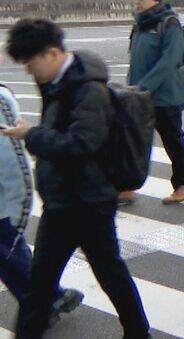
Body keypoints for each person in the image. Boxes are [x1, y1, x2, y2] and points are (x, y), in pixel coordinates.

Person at [4, 19, 149, 337]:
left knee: (108, 274)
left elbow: (82, 143)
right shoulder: (62, 83)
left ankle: (139, 332)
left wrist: (33, 135)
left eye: (31, 64)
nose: (29, 72)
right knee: (40, 286)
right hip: (64, 200)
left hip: (88, 201)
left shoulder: (87, 90)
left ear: (53, 53)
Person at [0, 71, 85, 328]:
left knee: (8, 248)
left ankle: (46, 300)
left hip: (5, 199)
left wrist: (16, 207)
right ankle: (48, 298)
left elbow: (14, 163)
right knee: (7, 253)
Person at [126, 0, 184, 206]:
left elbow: (169, 61)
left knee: (173, 142)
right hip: (139, 95)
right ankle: (126, 186)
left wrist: (144, 87)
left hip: (165, 97)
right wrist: (132, 89)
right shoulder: (140, 23)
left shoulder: (169, 23)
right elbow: (136, 60)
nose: (138, 1)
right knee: (132, 142)